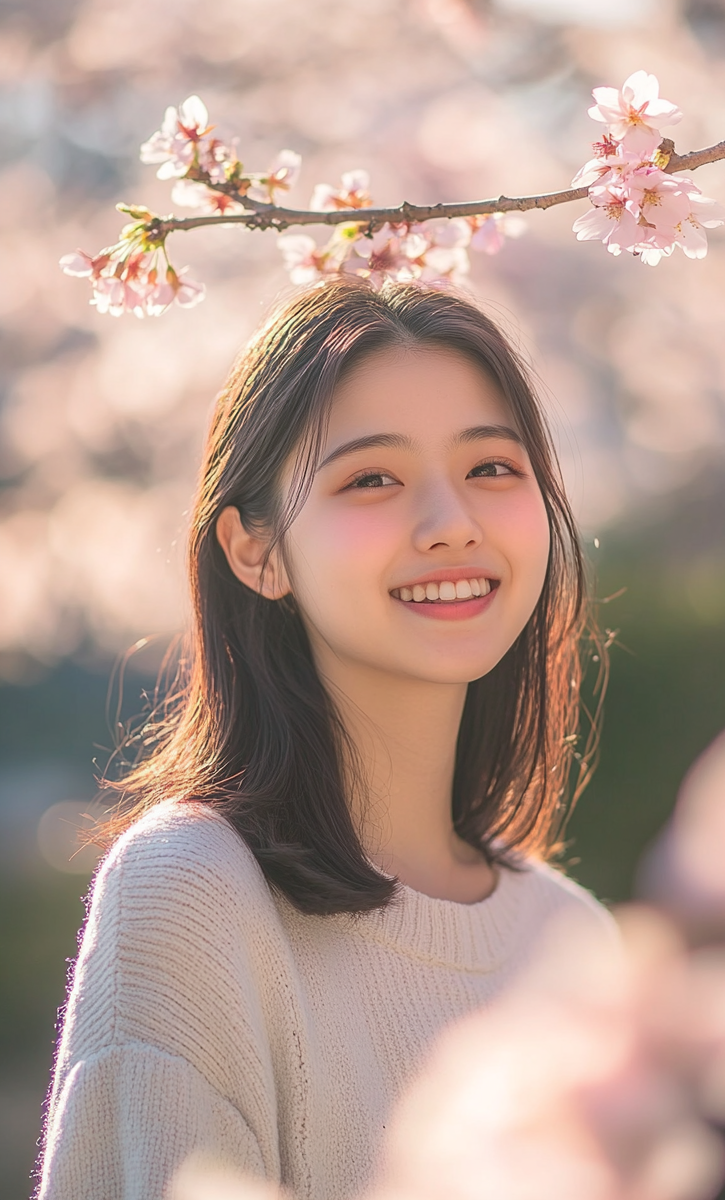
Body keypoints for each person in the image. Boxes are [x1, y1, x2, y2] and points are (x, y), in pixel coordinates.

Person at [37, 278, 615, 1200]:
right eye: (372, 479)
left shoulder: (576, 944)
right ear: (255, 552)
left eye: (492, 469)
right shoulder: (193, 894)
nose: (451, 525)